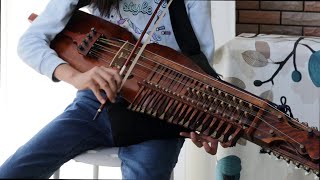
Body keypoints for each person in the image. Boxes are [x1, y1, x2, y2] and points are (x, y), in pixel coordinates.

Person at [0, 0, 218, 179]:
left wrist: (197, 115)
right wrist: (76, 77)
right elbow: (30, 41)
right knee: (13, 171)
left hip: (160, 111)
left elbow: (199, 67)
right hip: (95, 102)